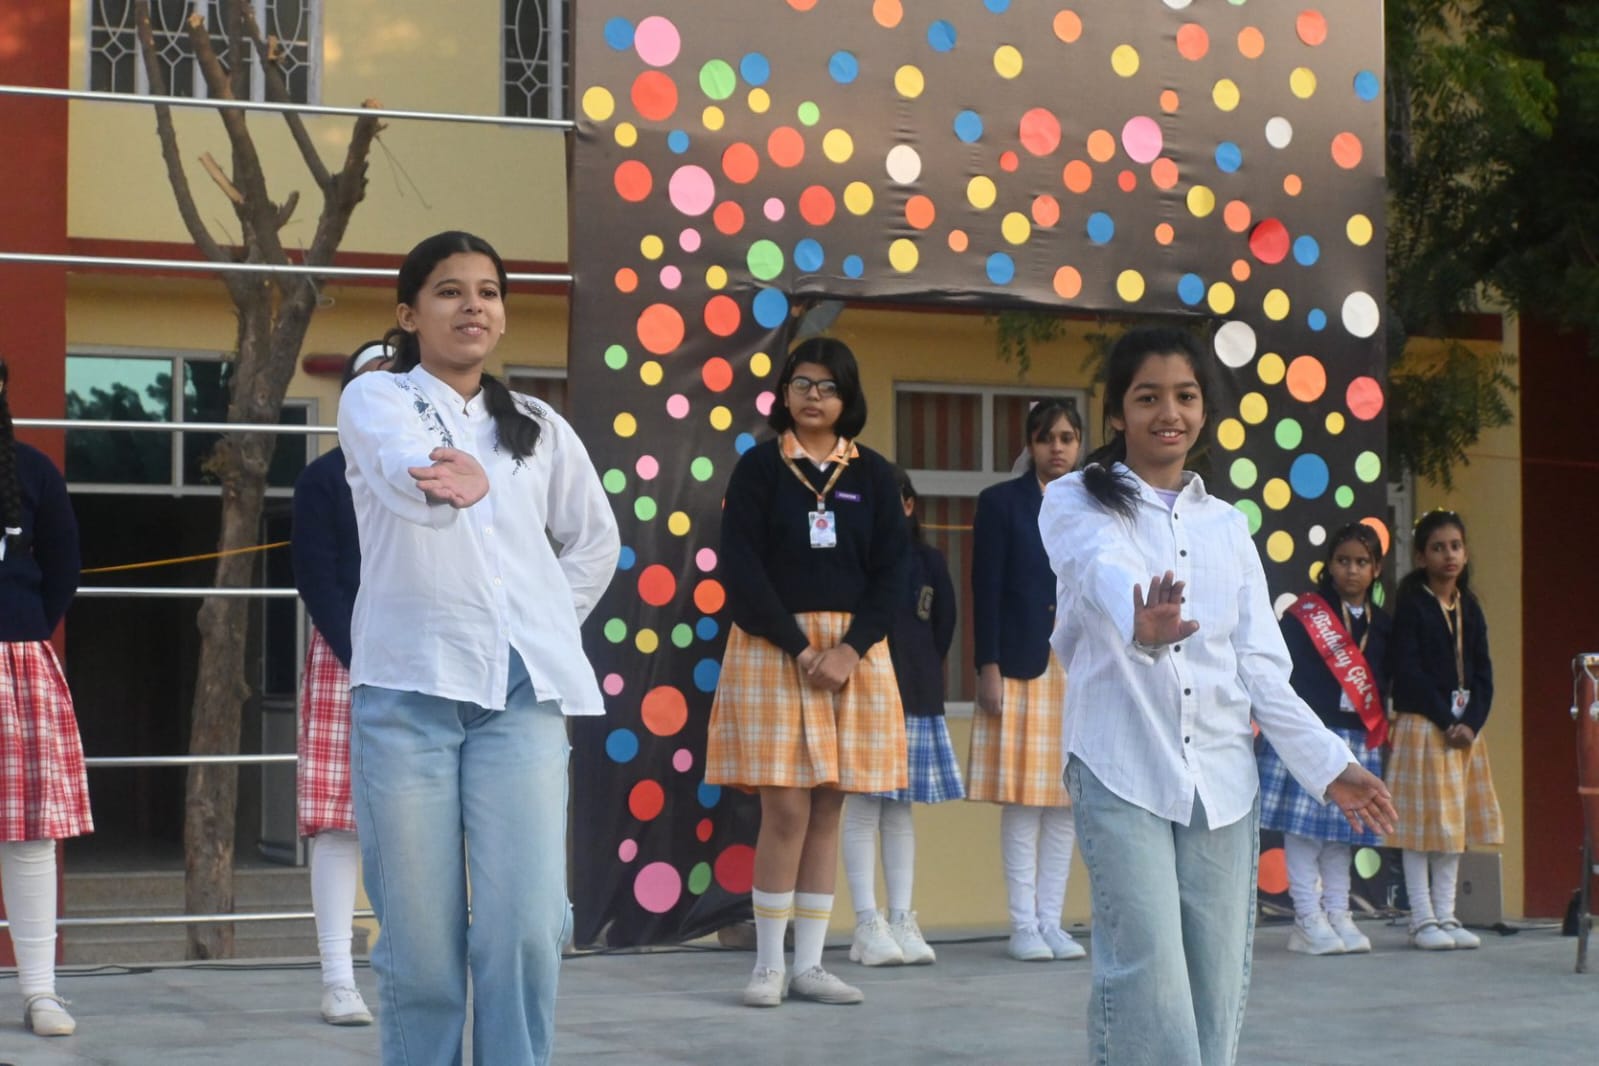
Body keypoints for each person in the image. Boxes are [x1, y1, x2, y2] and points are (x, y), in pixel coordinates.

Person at [1038, 327, 1396, 1066]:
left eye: (1185, 396)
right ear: (1117, 413)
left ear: (1203, 410)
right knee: (1148, 980)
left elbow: (1260, 667)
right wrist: (1139, 618)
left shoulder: (1228, 527)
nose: (1168, 413)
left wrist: (1329, 764)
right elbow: (1098, 564)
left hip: (1223, 782)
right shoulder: (1075, 499)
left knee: (1214, 987)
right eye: (1147, 398)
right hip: (1119, 765)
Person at [336, 231, 619, 1065]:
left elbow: (594, 542)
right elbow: (403, 467)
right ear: (408, 314)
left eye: (488, 292)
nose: (473, 306)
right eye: (450, 291)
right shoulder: (376, 396)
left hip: (522, 699)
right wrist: (445, 479)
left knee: (526, 927)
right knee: (420, 948)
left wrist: (538, 619)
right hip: (407, 693)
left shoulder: (538, 424)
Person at [706, 336, 909, 1008]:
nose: (813, 396)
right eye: (801, 384)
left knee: (828, 805)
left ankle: (811, 966)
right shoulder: (759, 468)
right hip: (773, 649)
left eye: (827, 386)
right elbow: (741, 567)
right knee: (786, 806)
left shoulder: (874, 474)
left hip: (853, 656)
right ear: (783, 394)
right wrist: (800, 647)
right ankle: (768, 965)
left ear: (847, 397)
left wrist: (850, 649)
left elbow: (894, 571)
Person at [290, 341, 392, 1026]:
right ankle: (337, 977)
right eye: (369, 383)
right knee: (337, 823)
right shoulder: (323, 479)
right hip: (347, 658)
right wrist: (361, 653)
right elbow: (316, 576)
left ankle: (410, 968)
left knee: (419, 824)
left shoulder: (434, 471)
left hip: (429, 659)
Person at [967, 399, 1087, 963]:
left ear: (1080, 444)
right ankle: (1022, 925)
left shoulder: (1094, 505)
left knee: (1064, 803)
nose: (1057, 448)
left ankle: (1051, 922)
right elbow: (984, 588)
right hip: (1020, 662)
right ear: (1031, 445)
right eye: (1046, 438)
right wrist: (986, 664)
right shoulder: (1001, 503)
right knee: (1023, 801)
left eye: (1067, 438)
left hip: (1081, 666)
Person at [0, 356, 92, 1038]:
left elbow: (63, 568)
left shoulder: (33, 471)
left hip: (17, 662)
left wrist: (24, 632)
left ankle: (40, 992)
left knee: (30, 835)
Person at [842, 466, 961, 967]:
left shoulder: (928, 561)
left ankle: (901, 919)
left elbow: (943, 625)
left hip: (914, 693)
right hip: (865, 695)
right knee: (864, 805)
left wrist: (921, 671)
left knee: (899, 809)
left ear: (909, 505)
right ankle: (866, 922)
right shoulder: (853, 560)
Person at [1258, 522, 1393, 956]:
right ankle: (1306, 917)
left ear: (1376, 569)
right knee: (1303, 834)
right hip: (1311, 736)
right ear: (1329, 565)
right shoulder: (1305, 617)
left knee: (1341, 834)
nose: (1352, 570)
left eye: (1362, 562)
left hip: (1356, 736)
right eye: (1343, 560)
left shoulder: (1383, 624)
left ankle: (1338, 912)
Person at [1386, 508, 1502, 951]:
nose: (1448, 555)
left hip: (1463, 734)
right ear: (1421, 557)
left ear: (1465, 553)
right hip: (1424, 726)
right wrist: (1447, 719)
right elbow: (1408, 672)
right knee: (1419, 827)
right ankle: (1422, 918)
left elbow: (1484, 674)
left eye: (1455, 546)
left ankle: (1447, 914)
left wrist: (1471, 722)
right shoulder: (1412, 606)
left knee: (1453, 826)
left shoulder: (1470, 606)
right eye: (1438, 548)